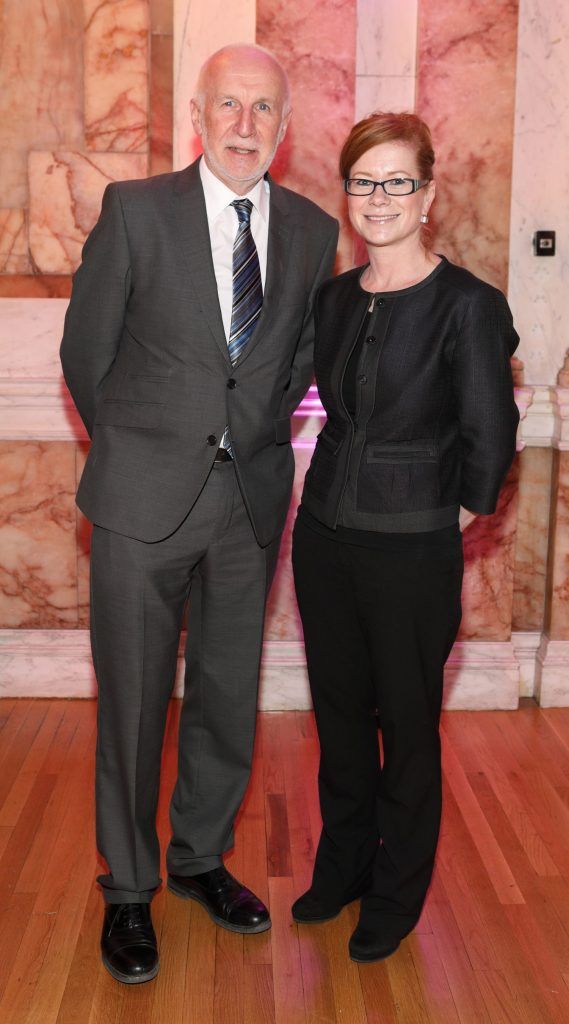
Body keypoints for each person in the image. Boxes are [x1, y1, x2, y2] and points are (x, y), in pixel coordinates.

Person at [60, 43, 338, 984]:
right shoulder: (136, 212)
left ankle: (197, 861)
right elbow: (86, 352)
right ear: (198, 113)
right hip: (143, 504)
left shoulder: (309, 230)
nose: (245, 124)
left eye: (264, 109)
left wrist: (242, 438)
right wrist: (142, 447)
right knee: (134, 706)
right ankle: (129, 890)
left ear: (285, 126)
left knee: (225, 698)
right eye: (229, 104)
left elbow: (296, 356)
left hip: (248, 504)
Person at [291, 112, 519, 963]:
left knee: (409, 726)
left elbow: (489, 439)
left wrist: (435, 521)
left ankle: (396, 888)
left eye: (396, 181)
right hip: (321, 538)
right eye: (363, 181)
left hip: (410, 548)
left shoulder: (468, 305)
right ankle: (344, 862)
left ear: (426, 196)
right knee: (341, 716)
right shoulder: (333, 298)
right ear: (347, 196)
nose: (377, 197)